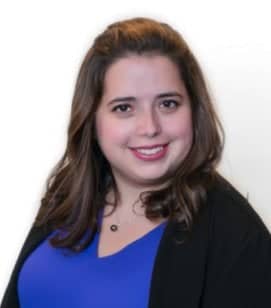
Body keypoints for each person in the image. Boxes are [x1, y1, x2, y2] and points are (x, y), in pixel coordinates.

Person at [1, 17, 271, 308]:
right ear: (92, 118)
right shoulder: (69, 192)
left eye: (168, 103)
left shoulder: (236, 236)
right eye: (124, 108)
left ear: (195, 110)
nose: (149, 127)